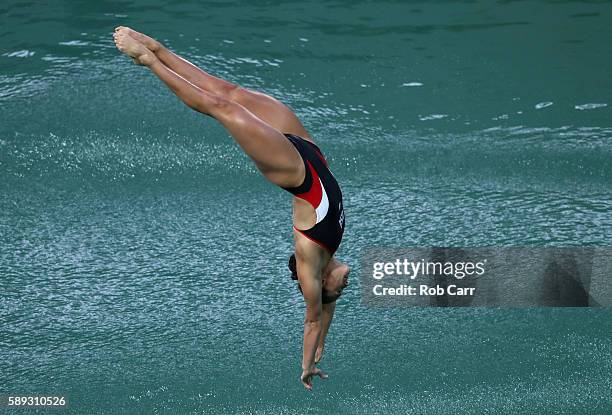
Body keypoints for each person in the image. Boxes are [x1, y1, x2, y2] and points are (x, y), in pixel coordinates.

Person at [113, 27, 350, 390]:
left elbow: (313, 318)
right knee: (231, 92)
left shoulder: (311, 264)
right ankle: (159, 48)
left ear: (321, 284)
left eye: (339, 288)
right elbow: (326, 314)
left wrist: (307, 365)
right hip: (307, 147)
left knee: (222, 108)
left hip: (293, 169)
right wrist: (323, 345)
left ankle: (146, 61)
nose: (346, 283)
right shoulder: (330, 260)